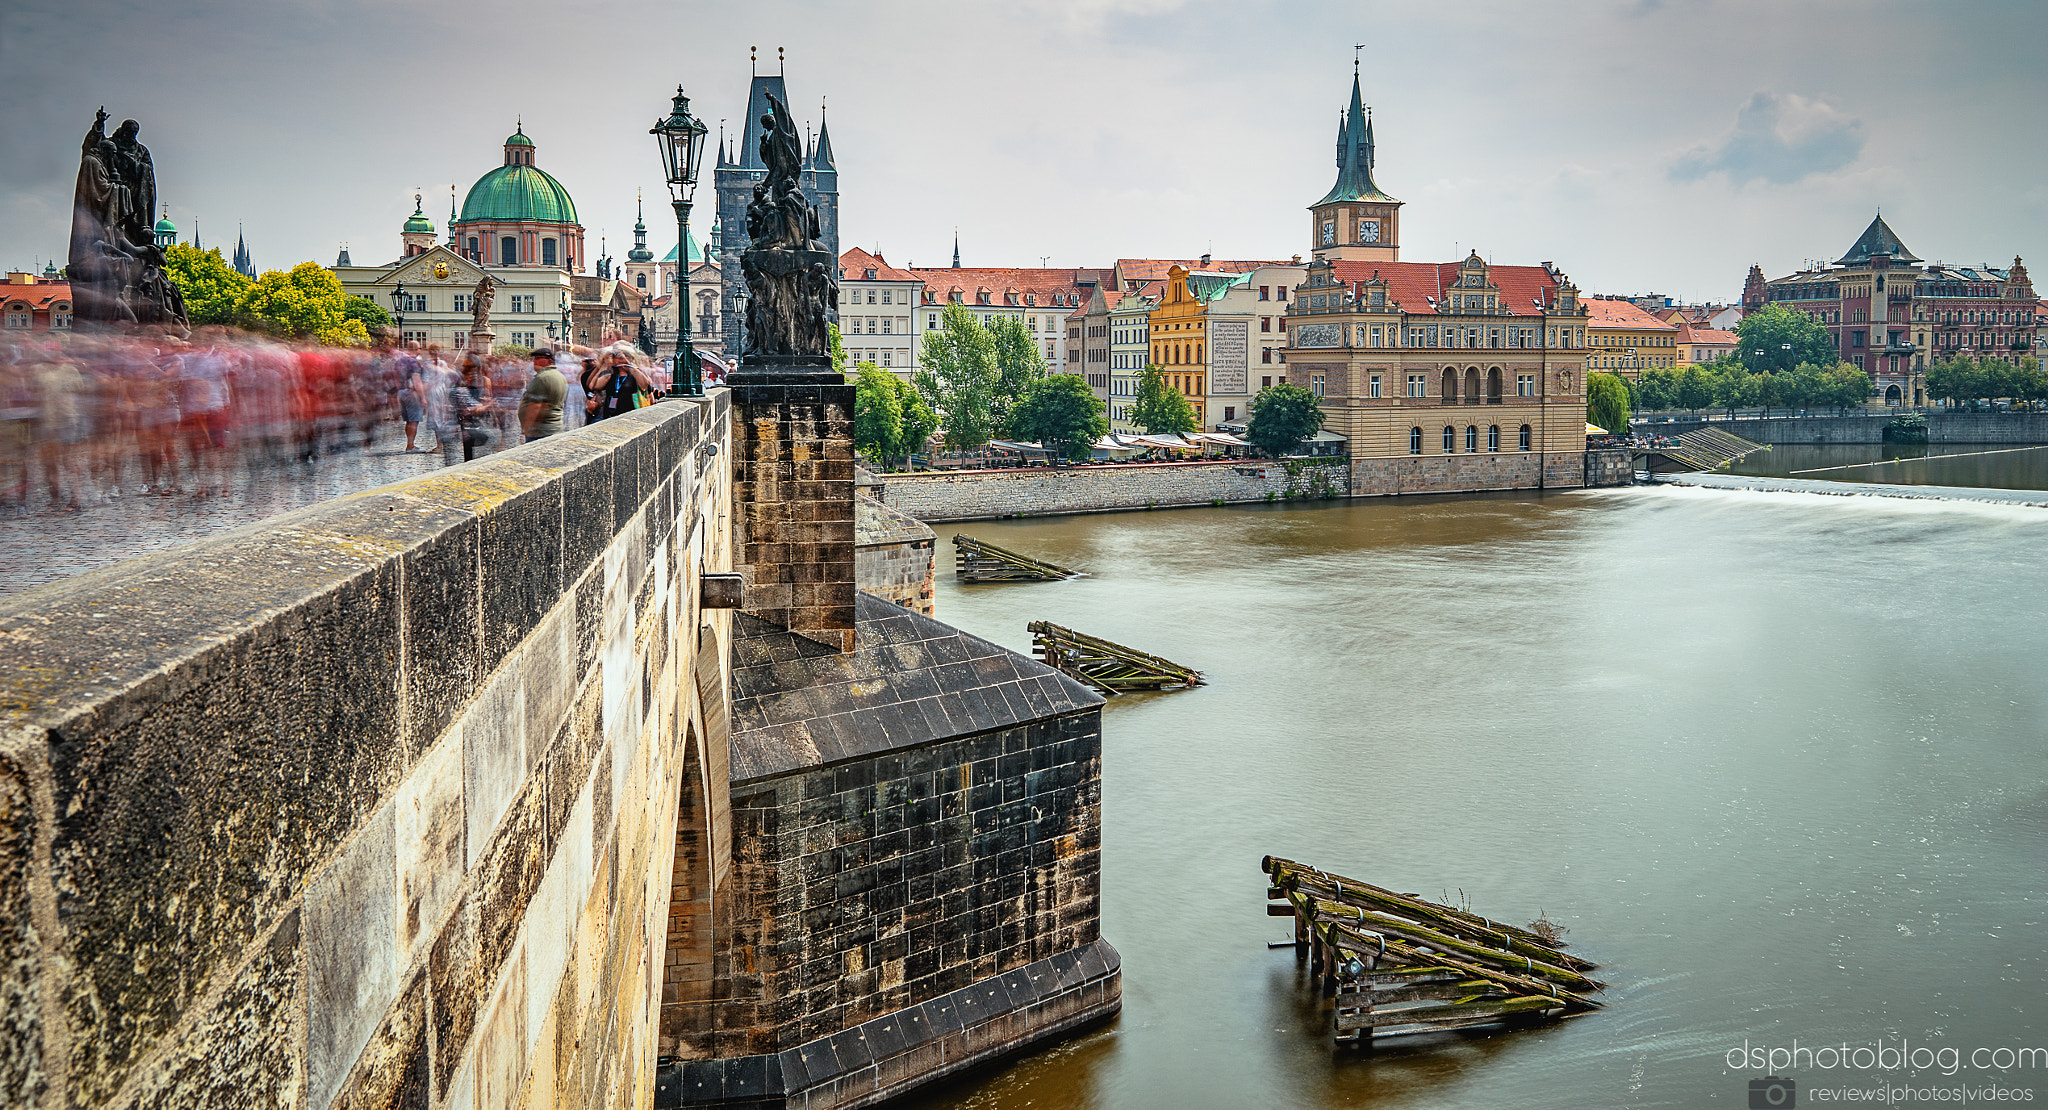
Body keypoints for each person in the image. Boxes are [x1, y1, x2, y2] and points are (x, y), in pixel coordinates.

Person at [581, 345, 655, 423]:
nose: (619, 359)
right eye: (616, 357)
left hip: (631, 416)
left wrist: (628, 365)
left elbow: (645, 385)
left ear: (631, 358)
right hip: (611, 416)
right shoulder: (611, 374)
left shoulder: (635, 373)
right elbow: (592, 386)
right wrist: (604, 364)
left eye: (624, 356)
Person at [445, 353, 495, 465]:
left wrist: (486, 403)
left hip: (480, 415)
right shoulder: (461, 381)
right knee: (468, 445)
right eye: (468, 367)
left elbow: (488, 396)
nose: (471, 371)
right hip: (467, 417)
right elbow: (456, 398)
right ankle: (469, 462)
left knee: (481, 441)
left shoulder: (485, 380)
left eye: (473, 367)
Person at [518, 349, 567, 442]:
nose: (534, 361)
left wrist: (526, 429)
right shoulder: (559, 375)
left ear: (549, 360)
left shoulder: (542, 378)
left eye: (538, 358)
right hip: (553, 428)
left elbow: (535, 407)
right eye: (534, 358)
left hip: (540, 432)